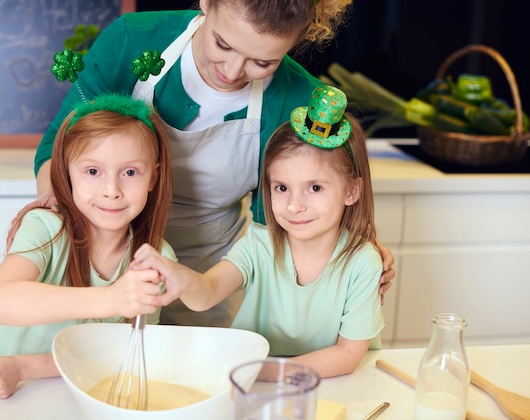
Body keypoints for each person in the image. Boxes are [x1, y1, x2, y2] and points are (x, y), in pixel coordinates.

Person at [27, 0, 394, 328]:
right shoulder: (133, 40)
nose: (233, 71)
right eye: (223, 44)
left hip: (209, 279)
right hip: (98, 266)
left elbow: (285, 223)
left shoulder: (297, 103)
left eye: (262, 62)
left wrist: (352, 248)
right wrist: (53, 219)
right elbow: (60, 148)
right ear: (206, 3)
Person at [134, 86, 384, 378]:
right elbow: (207, 293)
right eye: (282, 188)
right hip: (256, 382)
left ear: (352, 191)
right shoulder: (258, 245)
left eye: (315, 188)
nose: (294, 205)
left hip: (329, 383)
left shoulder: (362, 263)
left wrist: (264, 372)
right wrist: (177, 277)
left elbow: (347, 355)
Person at [0, 94, 174, 399]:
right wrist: (112, 298)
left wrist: (23, 368)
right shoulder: (46, 227)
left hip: (65, 387)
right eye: (92, 172)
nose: (112, 190)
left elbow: (122, 353)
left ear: (153, 177)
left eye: (130, 172)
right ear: (67, 173)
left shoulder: (158, 258)